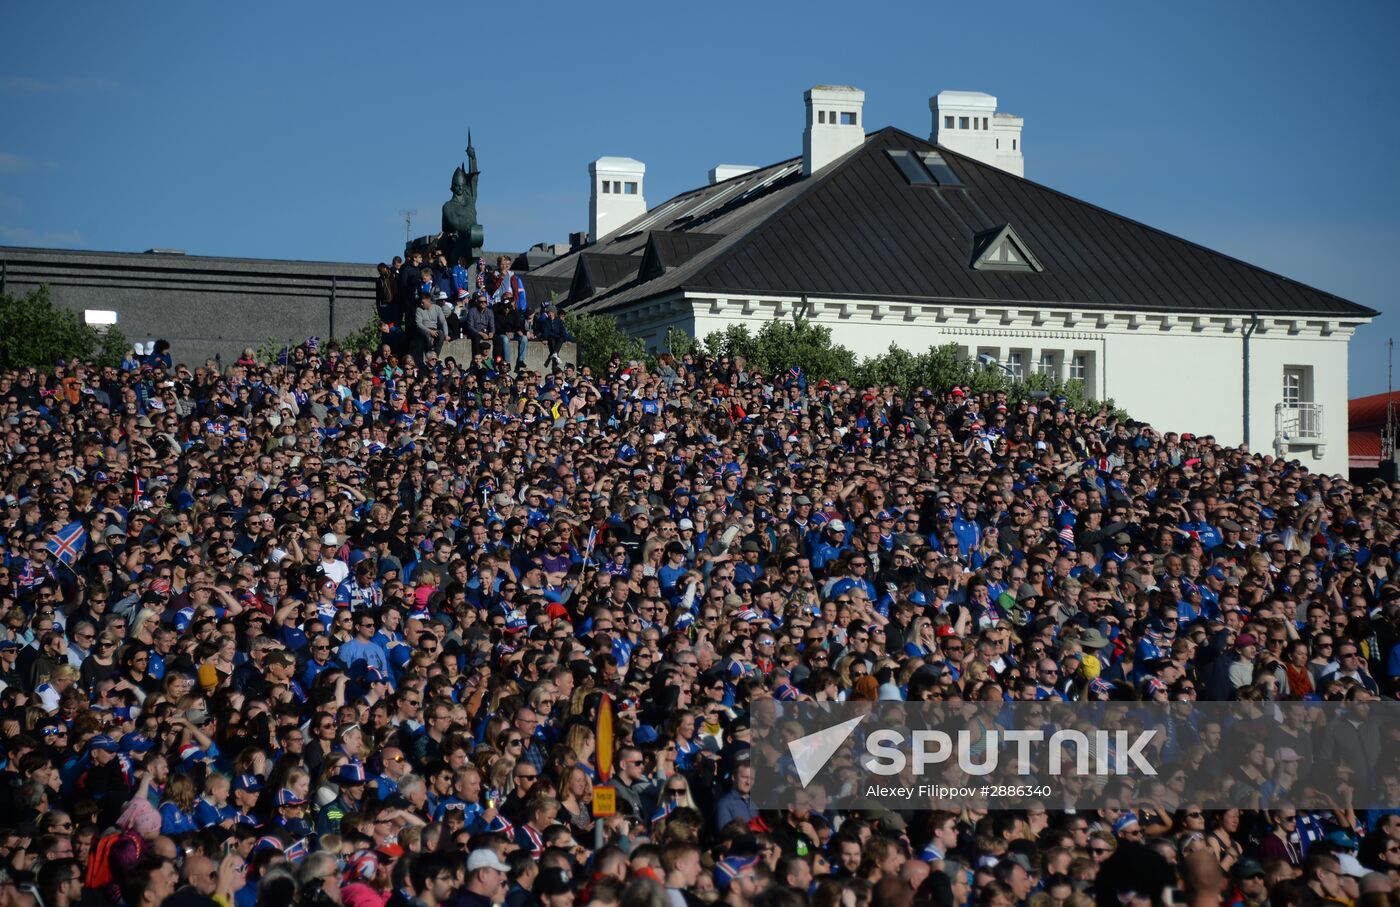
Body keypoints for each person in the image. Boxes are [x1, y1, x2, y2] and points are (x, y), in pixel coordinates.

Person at [412, 291, 450, 368]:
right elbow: (419, 324)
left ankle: (435, 356)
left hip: (434, 329)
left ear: (428, 300)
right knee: (426, 335)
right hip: (424, 329)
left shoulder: (437, 308)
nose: (421, 304)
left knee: (441, 334)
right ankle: (430, 354)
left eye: (423, 302)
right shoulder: (419, 310)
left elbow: (443, 322)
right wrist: (429, 331)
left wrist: (446, 334)